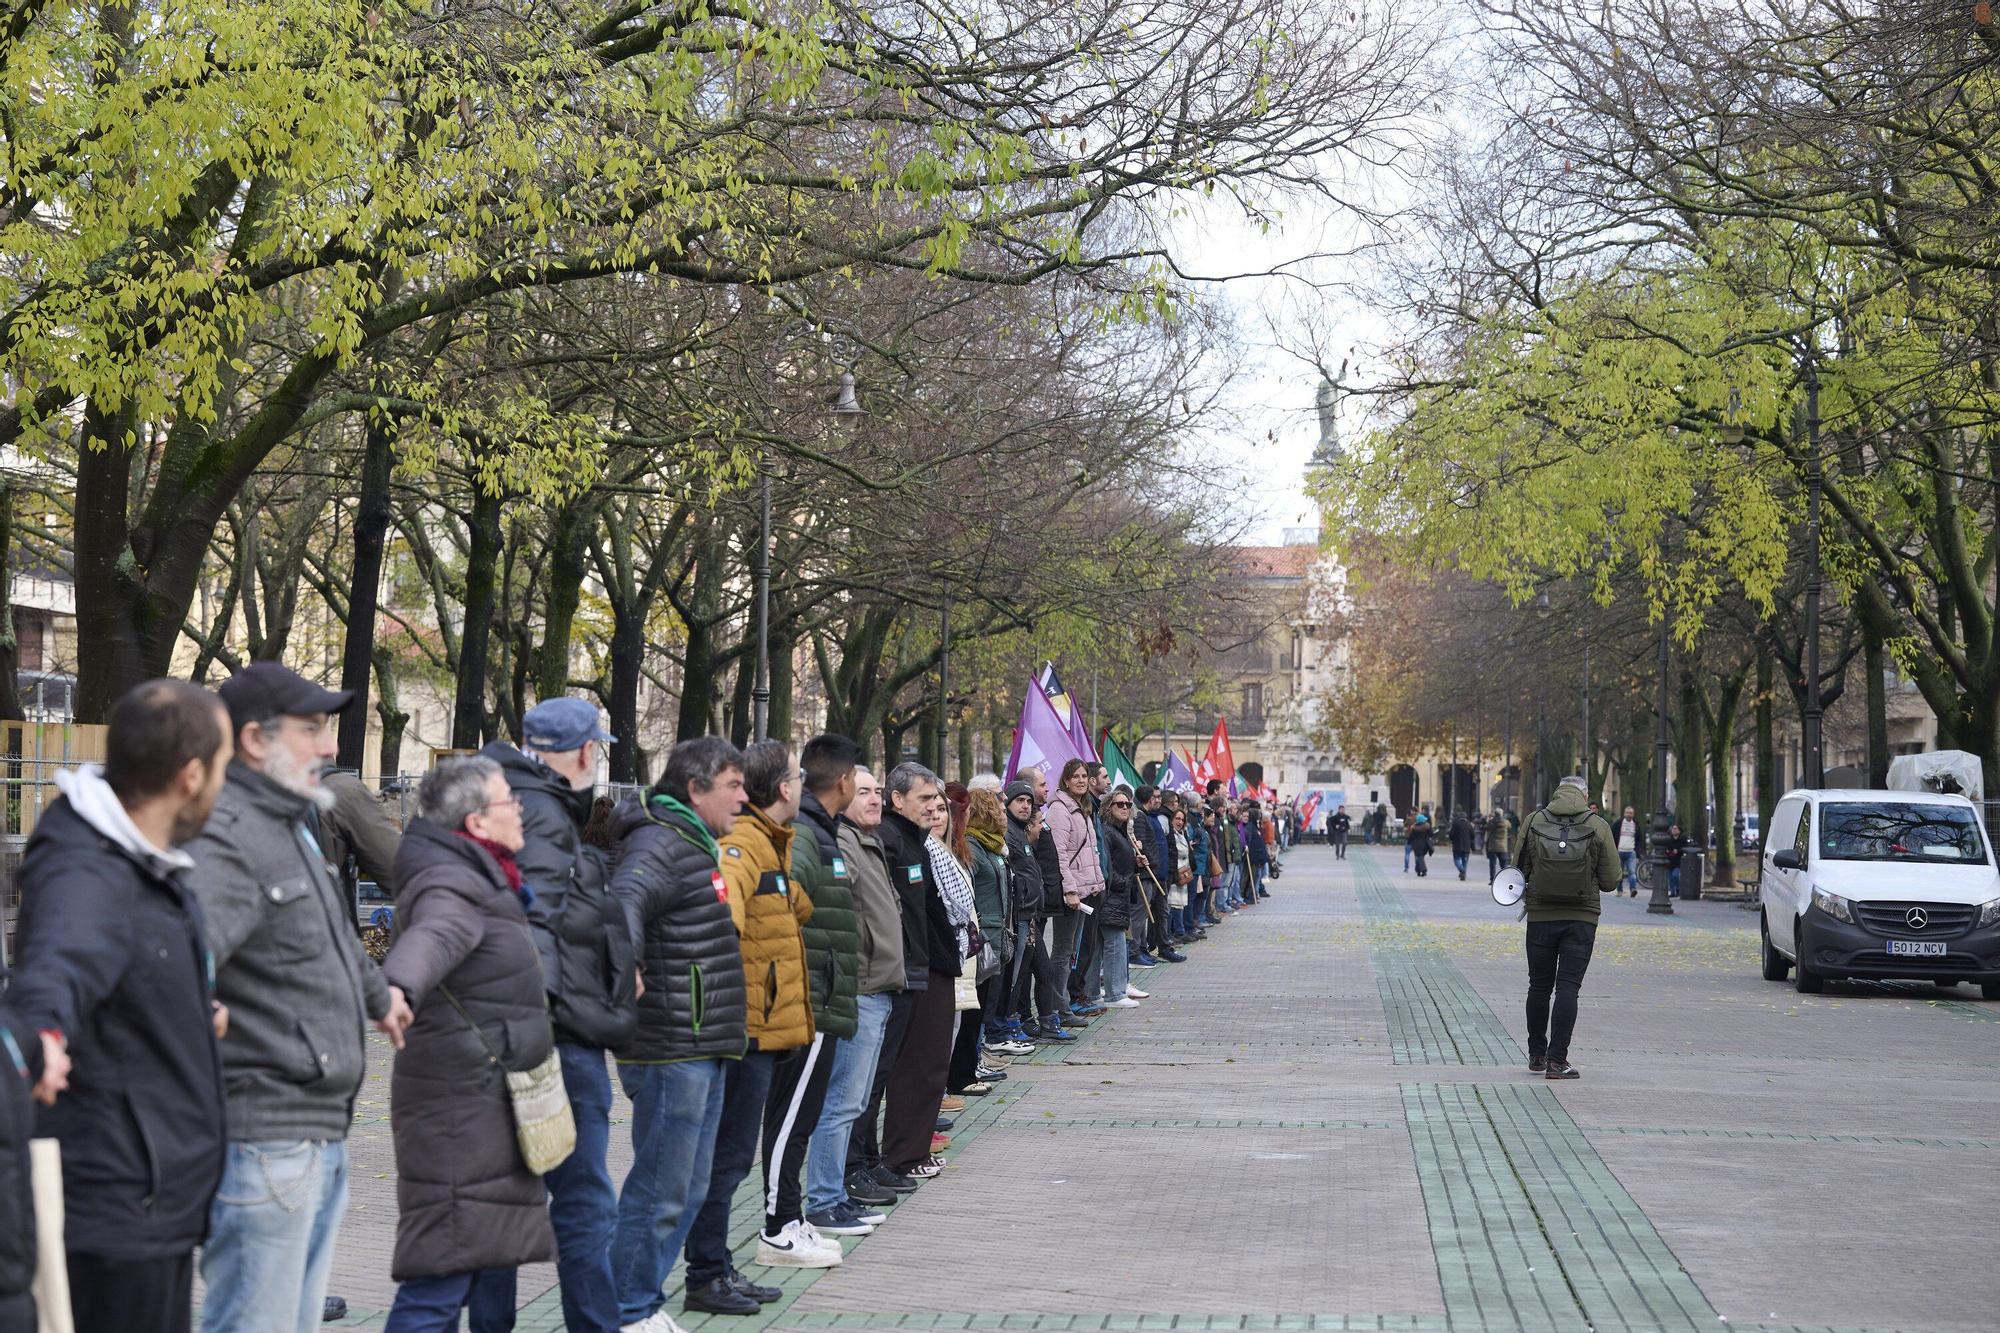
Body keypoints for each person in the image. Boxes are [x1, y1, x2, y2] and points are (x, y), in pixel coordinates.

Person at [186, 663, 412, 1333]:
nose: (328, 746)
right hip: (263, 1138)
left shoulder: (288, 821)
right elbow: (175, 962)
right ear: (255, 740)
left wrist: (378, 997)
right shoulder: (227, 835)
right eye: (311, 729)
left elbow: (328, 935)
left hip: (309, 1131)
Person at [4, 680, 228, 1333]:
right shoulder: (90, 868)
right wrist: (40, 1033)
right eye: (221, 771)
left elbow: (122, 971)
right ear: (190, 776)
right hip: (120, 1211)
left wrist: (190, 1009)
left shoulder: (130, 854)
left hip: (148, 1201)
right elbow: (57, 970)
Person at [378, 756, 557, 1330]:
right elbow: (436, 931)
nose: (520, 809)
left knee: (471, 1265)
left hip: (483, 1101)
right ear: (478, 823)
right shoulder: (453, 881)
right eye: (510, 800)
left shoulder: (483, 873)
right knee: (440, 1281)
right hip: (460, 1109)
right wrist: (398, 986)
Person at [481, 697, 635, 1333]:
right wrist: (540, 1028)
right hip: (553, 1039)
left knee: (507, 1204)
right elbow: (531, 924)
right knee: (583, 1204)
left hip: (526, 1030)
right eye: (596, 748)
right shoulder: (542, 811)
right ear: (579, 752)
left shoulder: (515, 797)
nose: (596, 759)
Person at [685, 739, 831, 1312]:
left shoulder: (772, 846)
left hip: (765, 1029)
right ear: (787, 789)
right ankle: (705, 1276)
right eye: (797, 776)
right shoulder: (744, 847)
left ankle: (717, 1266)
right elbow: (723, 927)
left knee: (732, 1155)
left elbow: (786, 912)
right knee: (727, 1158)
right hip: (748, 1031)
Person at [609, 737, 749, 1333]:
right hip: (671, 1047)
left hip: (702, 1043)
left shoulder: (692, 841)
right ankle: (626, 1308)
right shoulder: (660, 841)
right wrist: (626, 967)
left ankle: (640, 1302)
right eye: (733, 786)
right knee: (660, 1190)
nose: (745, 798)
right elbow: (622, 904)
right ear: (695, 789)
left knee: (687, 1189)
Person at [808, 766, 906, 1221]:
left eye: (878, 791)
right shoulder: (843, 842)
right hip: (860, 988)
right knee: (843, 1100)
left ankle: (834, 1194)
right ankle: (825, 1199)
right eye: (863, 791)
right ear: (842, 794)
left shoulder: (870, 842)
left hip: (880, 986)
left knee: (857, 1099)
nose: (874, 799)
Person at [780, 736, 865, 1243]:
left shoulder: (821, 831)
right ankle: (785, 1221)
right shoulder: (808, 835)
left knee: (804, 1116)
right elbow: (782, 905)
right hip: (811, 999)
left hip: (822, 995)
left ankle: (791, 1218)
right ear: (843, 781)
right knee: (794, 1121)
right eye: (859, 777)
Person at [874, 764, 963, 1181]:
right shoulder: (892, 841)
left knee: (928, 1068)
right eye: (925, 799)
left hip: (930, 966)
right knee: (915, 1069)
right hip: (913, 970)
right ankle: (901, 1156)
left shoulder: (914, 841)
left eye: (937, 799)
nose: (935, 807)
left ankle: (910, 1150)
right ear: (896, 799)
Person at [1513, 775, 1620, 1080]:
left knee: (1539, 986)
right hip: (1582, 919)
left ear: (1557, 792)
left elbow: (1516, 871)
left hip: (1541, 917)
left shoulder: (1534, 821)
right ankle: (1557, 1061)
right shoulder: (1598, 825)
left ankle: (1536, 1055)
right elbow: (1611, 881)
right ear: (1585, 795)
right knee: (1568, 988)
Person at [1045, 760, 1104, 1019]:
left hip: (1086, 890)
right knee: (1062, 951)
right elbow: (1058, 854)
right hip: (1072, 894)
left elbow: (1091, 853)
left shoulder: (1083, 808)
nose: (1081, 780)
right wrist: (1070, 890)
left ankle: (1064, 1004)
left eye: (1084, 776)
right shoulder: (1060, 810)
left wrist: (1097, 883)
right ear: (1066, 780)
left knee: (1073, 951)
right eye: (1075, 776)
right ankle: (1058, 1006)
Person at [1097, 789, 1143, 1008]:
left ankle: (1102, 990)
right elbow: (1107, 866)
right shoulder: (1107, 831)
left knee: (1112, 944)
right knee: (1114, 946)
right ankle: (1114, 993)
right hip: (1112, 896)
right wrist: (1123, 883)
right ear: (1108, 807)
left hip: (1120, 896)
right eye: (1119, 804)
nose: (1125, 808)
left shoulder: (1121, 831)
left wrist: (1136, 864)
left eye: (1127, 804)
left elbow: (1122, 862)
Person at [1613, 805, 1643, 896]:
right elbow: (1612, 834)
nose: (1629, 814)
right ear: (1624, 814)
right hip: (1619, 851)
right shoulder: (1619, 823)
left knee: (1632, 872)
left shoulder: (1636, 824)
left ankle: (1633, 889)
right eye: (1627, 813)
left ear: (1633, 814)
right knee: (1619, 873)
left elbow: (1639, 839)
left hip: (1631, 852)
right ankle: (1619, 890)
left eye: (1630, 813)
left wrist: (1638, 851)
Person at [1484, 807, 1513, 884]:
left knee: (1492, 864)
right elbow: (1510, 828)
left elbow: (1485, 828)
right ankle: (1505, 879)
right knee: (1504, 864)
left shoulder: (1491, 822)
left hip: (1492, 846)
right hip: (1502, 847)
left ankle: (1492, 879)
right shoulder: (1506, 822)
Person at [1449, 811, 1475, 881]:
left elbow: (1451, 834)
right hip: (1466, 846)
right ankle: (1464, 874)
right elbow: (1473, 835)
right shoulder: (1469, 825)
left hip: (1457, 846)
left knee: (1456, 860)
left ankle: (1462, 870)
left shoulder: (1455, 824)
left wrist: (1452, 839)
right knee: (1465, 861)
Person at [1666, 822, 1690, 897]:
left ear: (1679, 831)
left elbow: (1685, 848)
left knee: (1675, 875)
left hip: (1678, 860)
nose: (1674, 830)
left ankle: (1678, 889)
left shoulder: (1682, 839)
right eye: (1673, 828)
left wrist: (1678, 851)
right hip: (1670, 860)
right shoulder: (1669, 839)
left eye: (1676, 829)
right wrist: (1667, 851)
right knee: (1670, 877)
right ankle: (1673, 892)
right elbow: (1667, 848)